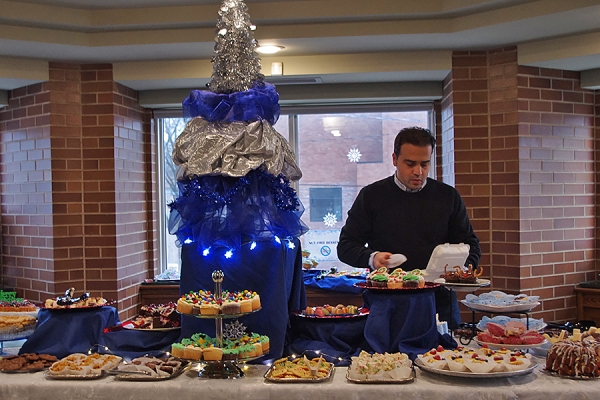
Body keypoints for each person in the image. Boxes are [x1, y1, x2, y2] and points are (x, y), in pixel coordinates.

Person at [337, 126, 480, 329]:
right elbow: (346, 246)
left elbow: (471, 244)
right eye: (410, 164)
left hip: (439, 303)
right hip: (387, 305)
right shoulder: (372, 196)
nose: (418, 172)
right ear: (395, 159)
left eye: (425, 164)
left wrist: (462, 270)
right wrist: (373, 257)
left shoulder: (447, 197)